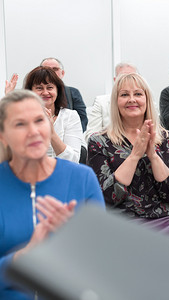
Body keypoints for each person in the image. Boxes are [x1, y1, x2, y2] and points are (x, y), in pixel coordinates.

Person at [0, 90, 105, 300]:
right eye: (20, 124)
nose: (33, 131)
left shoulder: (82, 178)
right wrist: (24, 256)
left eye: (39, 120)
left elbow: (103, 261)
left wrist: (73, 242)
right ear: (3, 136)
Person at [87, 73, 169, 245]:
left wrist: (152, 155)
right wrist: (135, 155)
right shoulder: (99, 142)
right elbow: (106, 197)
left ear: (146, 99)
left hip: (162, 219)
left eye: (138, 94)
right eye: (124, 95)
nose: (132, 99)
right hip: (119, 222)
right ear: (116, 102)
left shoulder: (165, 138)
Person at [24, 66, 85, 163]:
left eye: (50, 87)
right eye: (39, 88)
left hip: (62, 174)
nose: (45, 92)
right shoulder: (22, 117)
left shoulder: (70, 116)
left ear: (57, 90)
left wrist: (51, 132)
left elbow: (73, 160)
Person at [84, 62, 138, 141]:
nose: (128, 80)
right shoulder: (101, 102)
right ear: (115, 80)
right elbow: (91, 135)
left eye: (132, 77)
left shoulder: (146, 101)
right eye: (123, 77)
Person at [40, 57, 88, 131]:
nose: (50, 73)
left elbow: (82, 120)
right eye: (46, 69)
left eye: (55, 69)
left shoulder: (72, 93)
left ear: (62, 73)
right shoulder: (32, 94)